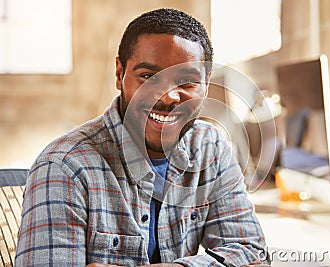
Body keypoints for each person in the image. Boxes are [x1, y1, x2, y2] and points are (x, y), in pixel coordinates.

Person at [15, 8, 269, 267]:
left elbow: (251, 253)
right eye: (148, 77)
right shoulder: (63, 166)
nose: (169, 97)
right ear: (119, 74)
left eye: (187, 81)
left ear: (206, 83)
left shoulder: (210, 146)